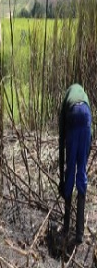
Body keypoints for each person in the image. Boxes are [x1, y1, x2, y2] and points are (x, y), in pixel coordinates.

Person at [58, 83, 92, 246]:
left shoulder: (66, 103)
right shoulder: (85, 98)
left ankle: (66, 226)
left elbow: (61, 143)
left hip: (72, 116)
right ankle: (79, 234)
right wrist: (84, 159)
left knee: (70, 170)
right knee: (81, 174)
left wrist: (62, 180)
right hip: (85, 116)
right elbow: (90, 138)